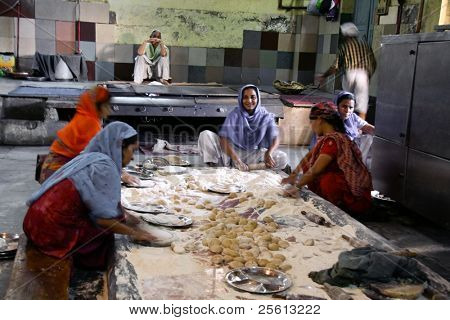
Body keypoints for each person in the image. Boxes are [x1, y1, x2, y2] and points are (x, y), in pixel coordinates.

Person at [24, 122, 157, 269]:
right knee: (104, 237)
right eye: (133, 150)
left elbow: (96, 201)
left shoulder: (91, 157)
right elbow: (102, 220)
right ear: (119, 147)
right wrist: (134, 232)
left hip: (34, 222)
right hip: (51, 234)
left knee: (116, 218)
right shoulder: (105, 167)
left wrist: (128, 217)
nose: (133, 157)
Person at [282, 103, 372, 215]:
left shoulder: (333, 140)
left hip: (354, 198)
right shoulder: (326, 139)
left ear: (319, 120)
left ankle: (342, 209)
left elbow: (316, 170)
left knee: (328, 180)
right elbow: (309, 156)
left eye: (312, 122)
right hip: (345, 189)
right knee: (309, 165)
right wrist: (293, 175)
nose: (311, 126)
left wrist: (297, 187)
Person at [198, 84, 288, 171]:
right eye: (245, 97)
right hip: (231, 154)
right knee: (205, 134)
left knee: (282, 157)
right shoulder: (234, 114)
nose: (249, 101)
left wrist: (269, 153)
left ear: (257, 98)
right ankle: (216, 168)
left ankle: (249, 167)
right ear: (241, 99)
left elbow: (275, 138)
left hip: (252, 154)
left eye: (253, 97)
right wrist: (236, 159)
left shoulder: (265, 116)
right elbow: (223, 139)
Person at [39, 86, 111, 183]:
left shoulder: (85, 118)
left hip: (54, 169)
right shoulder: (89, 123)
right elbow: (99, 156)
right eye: (106, 106)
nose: (109, 110)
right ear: (97, 106)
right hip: (57, 174)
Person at [319, 22, 377, 120]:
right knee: (362, 101)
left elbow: (335, 67)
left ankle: (345, 122)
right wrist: (368, 75)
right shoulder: (365, 46)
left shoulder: (344, 47)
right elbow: (373, 63)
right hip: (363, 74)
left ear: (345, 35)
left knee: (346, 99)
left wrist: (324, 76)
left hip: (350, 73)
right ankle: (360, 127)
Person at [336, 91, 374, 167]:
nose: (347, 110)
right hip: (337, 153)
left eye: (350, 107)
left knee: (369, 137)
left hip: (352, 152)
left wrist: (385, 136)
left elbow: (369, 128)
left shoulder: (353, 117)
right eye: (344, 106)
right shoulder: (332, 119)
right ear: (337, 106)